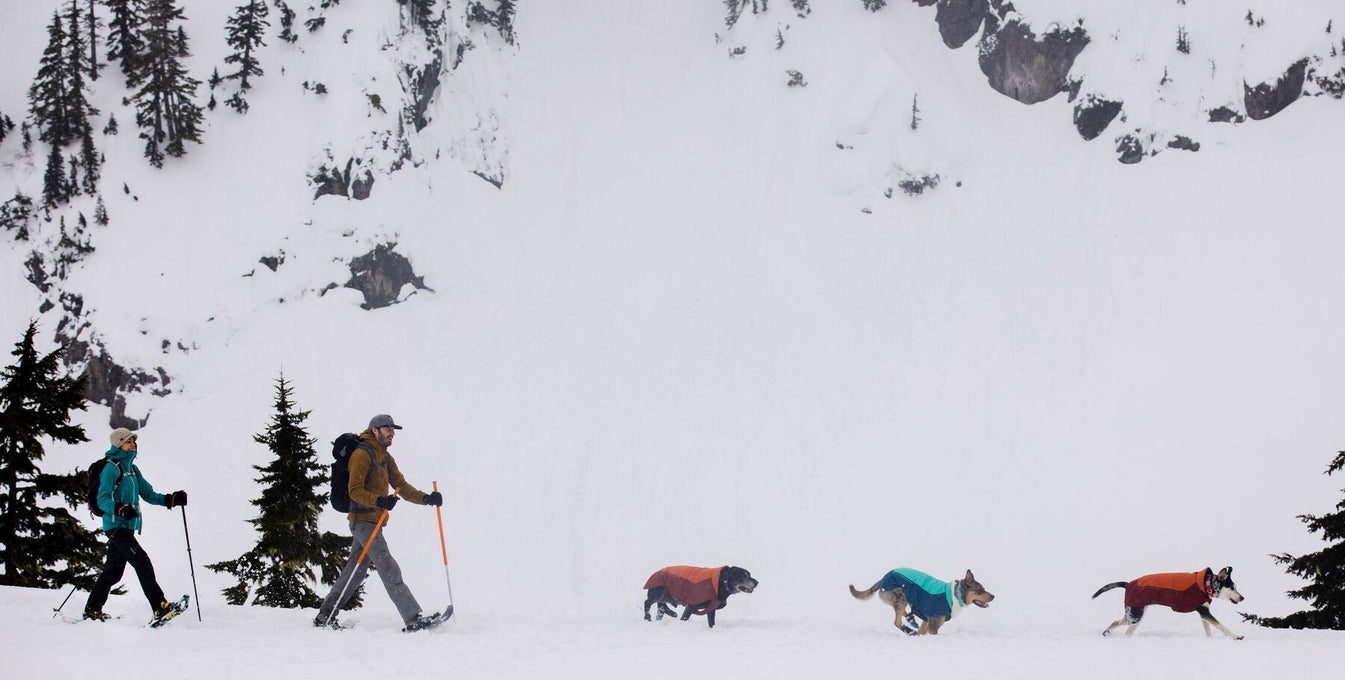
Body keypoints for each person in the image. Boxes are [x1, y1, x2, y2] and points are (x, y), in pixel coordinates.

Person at [314, 414, 443, 630]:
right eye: (387, 428)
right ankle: (412, 617)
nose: (392, 432)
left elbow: (401, 485)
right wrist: (378, 500)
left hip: (372, 521)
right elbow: (354, 491)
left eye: (393, 429)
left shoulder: (384, 457)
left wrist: (426, 499)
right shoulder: (362, 454)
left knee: (355, 571)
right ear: (375, 430)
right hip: (362, 521)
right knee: (388, 566)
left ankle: (324, 616)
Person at [84, 428, 188, 621]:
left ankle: (92, 609)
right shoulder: (111, 468)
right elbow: (102, 499)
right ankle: (160, 607)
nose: (132, 444)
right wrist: (120, 509)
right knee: (142, 562)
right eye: (128, 441)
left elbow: (148, 494)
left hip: (127, 527)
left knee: (113, 573)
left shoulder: (132, 468)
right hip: (116, 526)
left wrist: (171, 499)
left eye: (133, 441)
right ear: (118, 445)